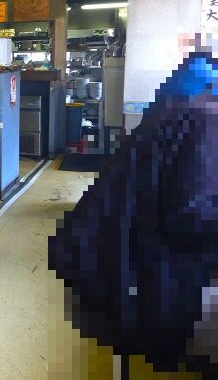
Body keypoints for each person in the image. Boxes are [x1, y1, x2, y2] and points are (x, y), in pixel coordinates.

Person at [49, 34, 218, 377]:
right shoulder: (205, 121)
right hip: (136, 272)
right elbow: (190, 215)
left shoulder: (186, 99)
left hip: (109, 252)